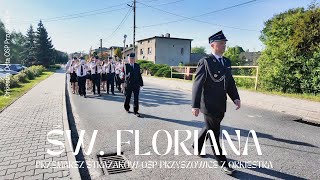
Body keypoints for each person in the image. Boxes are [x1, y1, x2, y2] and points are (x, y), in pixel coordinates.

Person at [191, 31, 241, 175]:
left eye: (225, 43)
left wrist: (235, 97)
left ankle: (197, 145)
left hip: (221, 104)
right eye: (221, 43)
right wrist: (195, 105)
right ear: (213, 45)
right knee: (214, 133)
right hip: (208, 104)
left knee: (210, 127)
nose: (224, 46)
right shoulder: (205, 62)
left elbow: (230, 82)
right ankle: (223, 163)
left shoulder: (226, 62)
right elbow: (197, 84)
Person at [123, 53, 143, 117]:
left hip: (136, 84)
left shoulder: (137, 65)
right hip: (128, 84)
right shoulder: (126, 65)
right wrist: (128, 75)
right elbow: (127, 74)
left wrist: (141, 84)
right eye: (130, 58)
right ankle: (127, 108)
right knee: (127, 97)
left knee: (136, 98)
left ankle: (136, 111)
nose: (131, 60)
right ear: (128, 59)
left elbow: (139, 75)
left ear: (134, 59)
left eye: (133, 58)